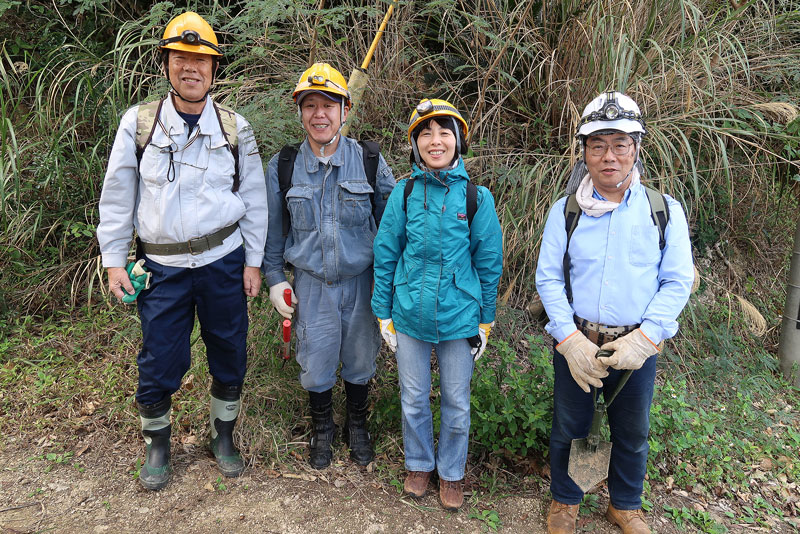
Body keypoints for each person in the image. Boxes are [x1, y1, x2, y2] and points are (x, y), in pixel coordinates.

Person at [96, 12, 267, 490]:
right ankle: (158, 444)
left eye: (201, 60)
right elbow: (117, 195)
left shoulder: (235, 127)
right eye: (181, 58)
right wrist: (113, 260)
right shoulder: (140, 123)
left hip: (224, 261)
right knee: (160, 358)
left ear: (214, 69)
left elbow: (254, 199)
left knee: (230, 349)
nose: (191, 68)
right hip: (162, 266)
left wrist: (253, 261)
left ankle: (223, 435)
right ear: (166, 64)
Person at [535, 91, 694, 534]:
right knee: (569, 423)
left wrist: (645, 339)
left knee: (632, 429)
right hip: (578, 341)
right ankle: (566, 500)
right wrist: (568, 340)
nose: (609, 156)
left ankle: (624, 504)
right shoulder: (564, 212)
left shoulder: (663, 212)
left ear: (636, 149)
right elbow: (548, 279)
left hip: (635, 345)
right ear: (583, 152)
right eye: (598, 145)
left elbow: (677, 280)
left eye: (620, 144)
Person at [262, 62, 396, 469]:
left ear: (345, 108)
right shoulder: (282, 167)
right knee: (316, 364)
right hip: (311, 285)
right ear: (299, 111)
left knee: (360, 361)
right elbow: (273, 235)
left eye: (329, 104)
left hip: (362, 283)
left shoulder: (370, 160)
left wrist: (388, 284)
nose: (319, 114)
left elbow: (393, 228)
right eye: (310, 105)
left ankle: (357, 423)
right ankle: (322, 427)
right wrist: (273, 280)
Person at [372, 98, 503, 511]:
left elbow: (488, 262)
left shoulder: (476, 198)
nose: (435, 140)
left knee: (457, 401)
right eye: (425, 133)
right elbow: (386, 251)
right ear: (414, 144)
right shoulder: (404, 193)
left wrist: (485, 321)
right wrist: (383, 313)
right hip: (409, 311)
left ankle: (451, 473)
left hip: (458, 316)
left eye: (444, 132)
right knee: (412, 396)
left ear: (458, 140)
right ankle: (418, 464)